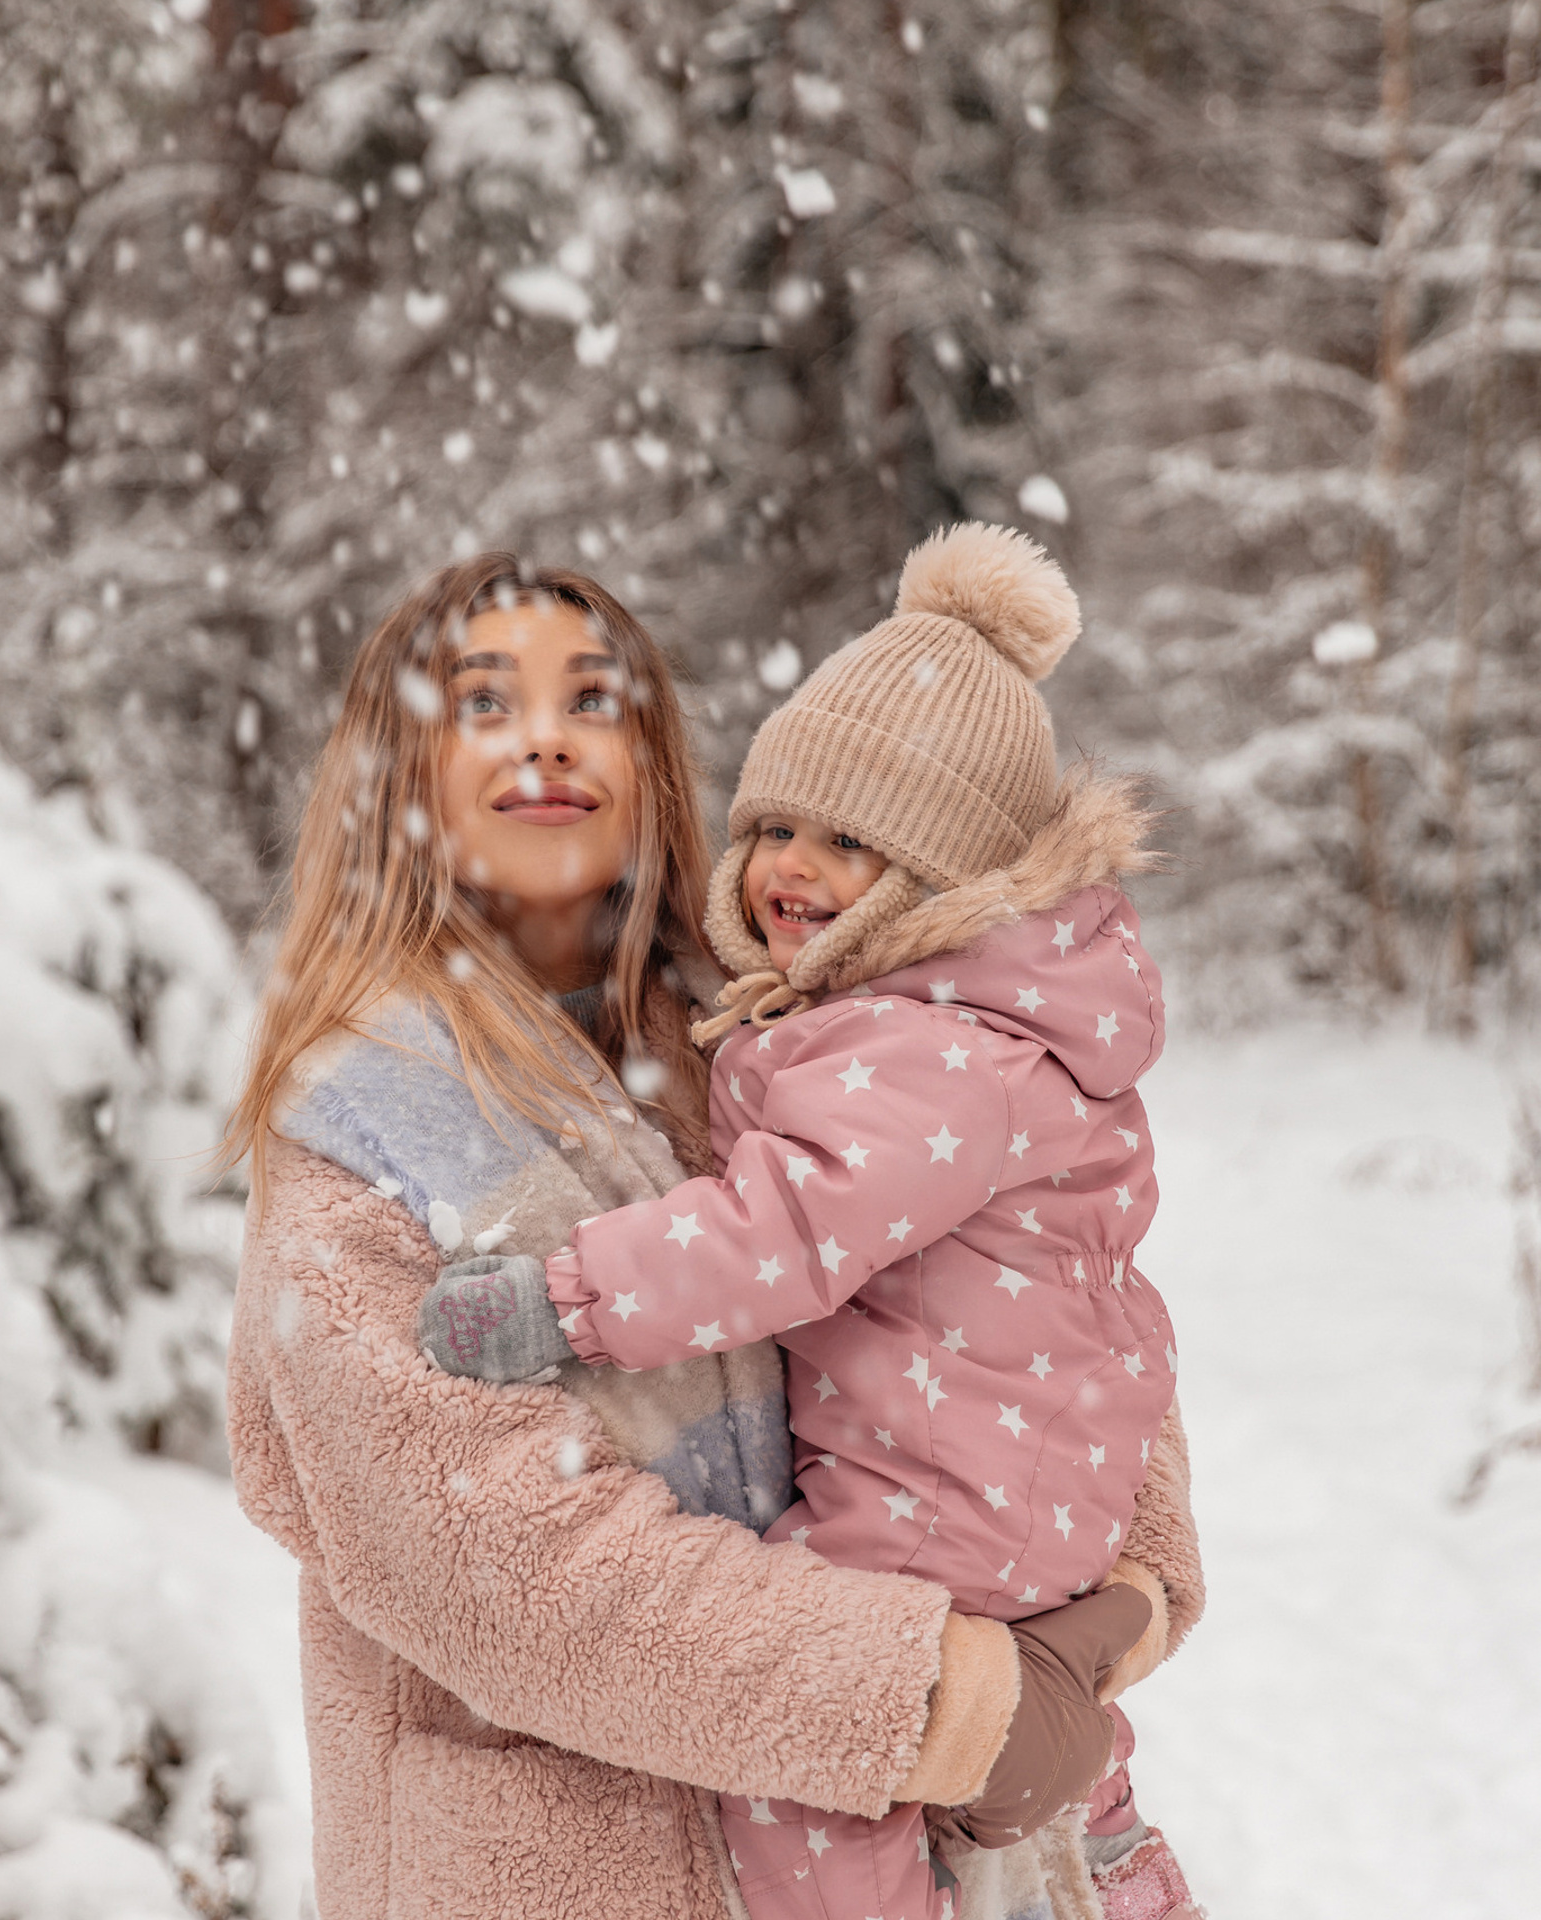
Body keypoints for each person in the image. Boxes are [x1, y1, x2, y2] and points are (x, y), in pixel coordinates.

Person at [223, 552, 1203, 1920]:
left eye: (594, 699)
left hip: (927, 1839)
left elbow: (1048, 1296)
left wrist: (1128, 1585)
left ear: (659, 766)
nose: (549, 735)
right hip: (564, 1869)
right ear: (402, 779)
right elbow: (520, 1576)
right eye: (486, 702)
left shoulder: (791, 1022)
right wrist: (959, 1700)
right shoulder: (366, 1125)